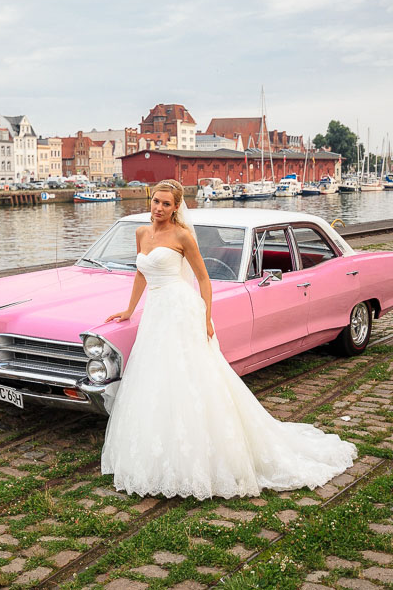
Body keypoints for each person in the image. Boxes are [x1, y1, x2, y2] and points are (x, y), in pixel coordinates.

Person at [101, 179, 357, 500]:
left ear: (177, 206)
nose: (159, 208)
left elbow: (204, 280)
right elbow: (141, 273)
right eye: (155, 201)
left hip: (181, 308)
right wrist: (128, 310)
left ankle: (205, 451)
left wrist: (206, 318)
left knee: (193, 374)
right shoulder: (141, 234)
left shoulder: (183, 236)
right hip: (155, 311)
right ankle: (158, 449)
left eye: (166, 203)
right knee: (157, 376)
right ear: (149, 200)